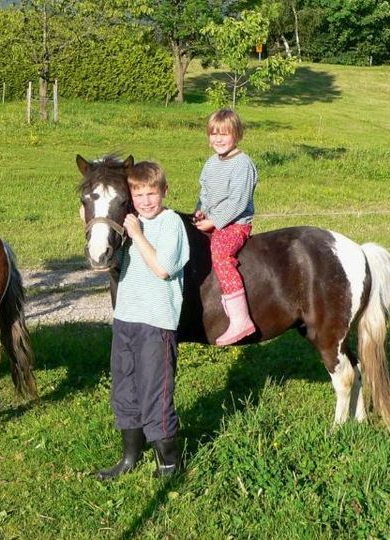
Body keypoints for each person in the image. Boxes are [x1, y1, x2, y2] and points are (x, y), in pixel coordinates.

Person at [95, 161, 190, 480]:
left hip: (156, 323)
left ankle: (168, 463)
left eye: (152, 193)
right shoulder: (130, 225)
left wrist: (137, 234)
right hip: (125, 318)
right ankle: (128, 458)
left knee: (155, 391)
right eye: (139, 194)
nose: (146, 201)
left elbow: (163, 268)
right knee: (124, 389)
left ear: (164, 192)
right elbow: (115, 264)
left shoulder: (170, 223)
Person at [192, 108, 259, 346]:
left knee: (220, 253)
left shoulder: (243, 164)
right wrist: (201, 210)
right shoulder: (211, 163)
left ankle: (240, 318)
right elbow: (206, 194)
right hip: (212, 220)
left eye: (225, 133)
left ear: (237, 135)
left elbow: (237, 202)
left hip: (234, 224)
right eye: (213, 133)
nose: (218, 139)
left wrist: (214, 222)